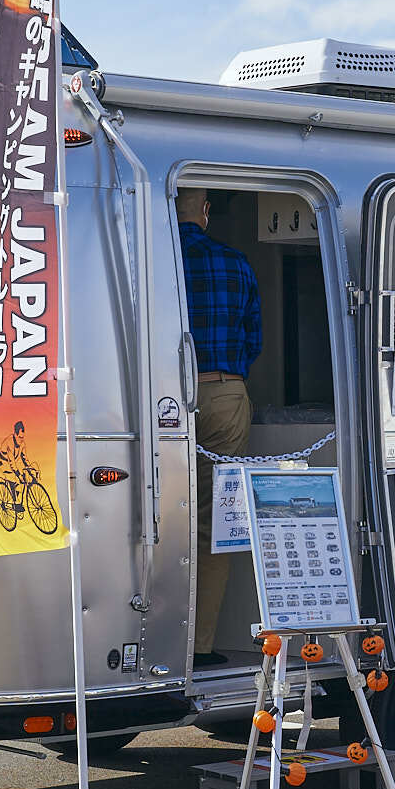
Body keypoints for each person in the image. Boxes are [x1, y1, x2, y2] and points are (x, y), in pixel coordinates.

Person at [179, 188, 262, 666]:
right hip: (225, 392)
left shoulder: (155, 259)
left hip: (161, 396)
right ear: (206, 212)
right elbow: (255, 337)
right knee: (214, 523)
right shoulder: (235, 262)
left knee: (162, 519)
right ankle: (201, 644)